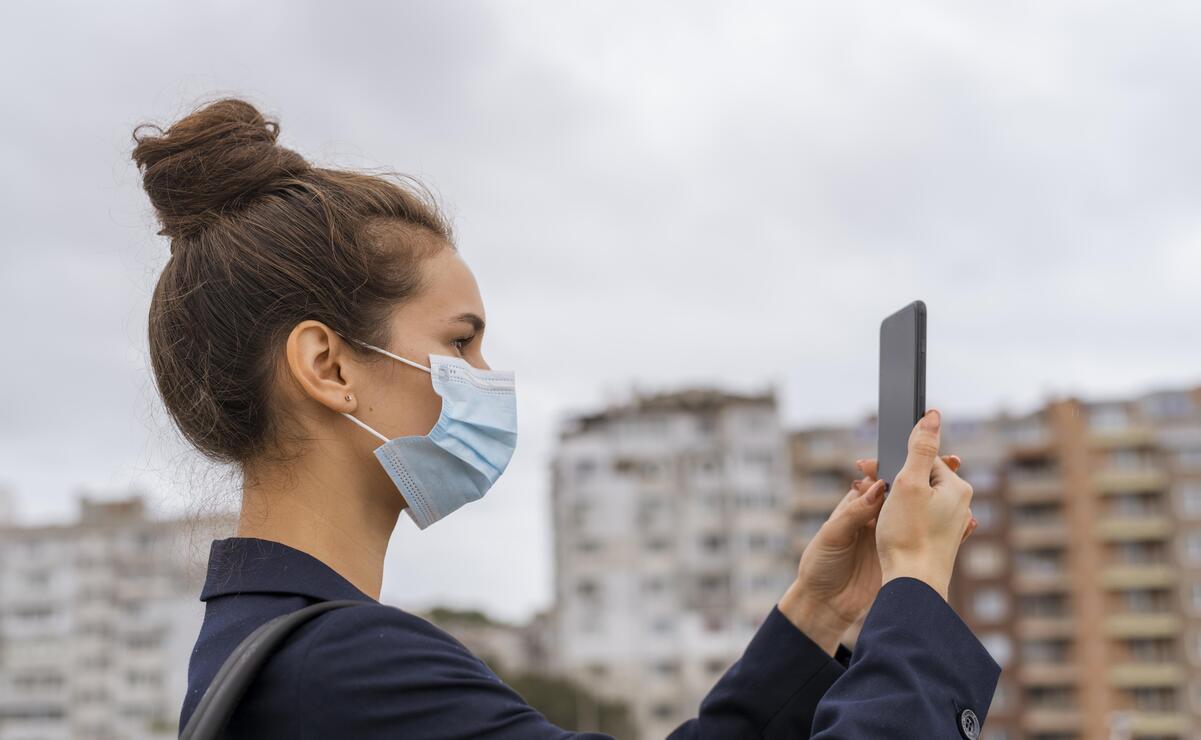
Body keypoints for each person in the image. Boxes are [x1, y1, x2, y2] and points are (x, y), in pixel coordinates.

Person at [131, 97, 1000, 740]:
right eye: (461, 341)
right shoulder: (347, 670)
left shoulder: (271, 652)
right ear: (328, 367)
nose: (485, 377)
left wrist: (817, 613)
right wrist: (914, 587)